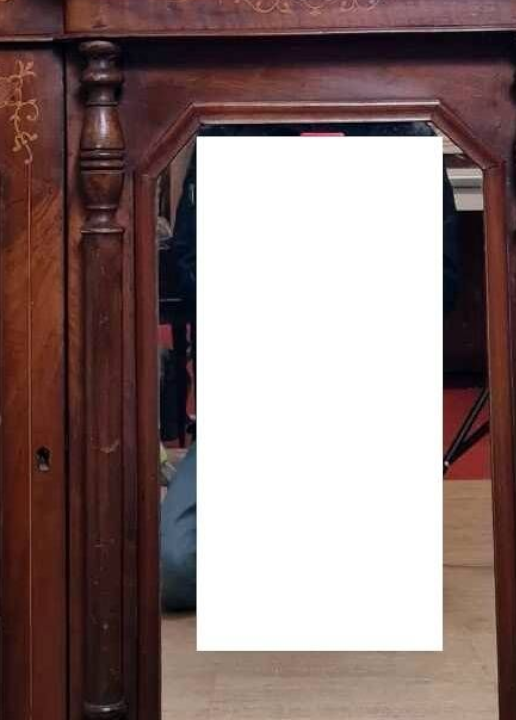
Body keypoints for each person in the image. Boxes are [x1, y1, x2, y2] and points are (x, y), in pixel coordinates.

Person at [158, 123, 462, 613]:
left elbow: (440, 278)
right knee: (176, 569)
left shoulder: (402, 129)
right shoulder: (227, 130)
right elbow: (192, 264)